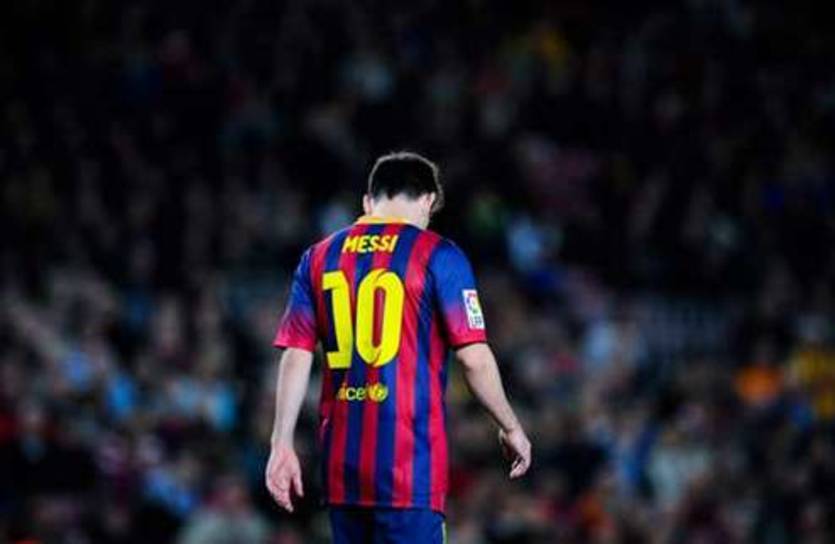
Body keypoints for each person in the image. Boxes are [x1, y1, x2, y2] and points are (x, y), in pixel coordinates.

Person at [265, 151, 532, 543]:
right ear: (428, 200)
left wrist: (281, 442)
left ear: (368, 202)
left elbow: (297, 352)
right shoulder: (439, 254)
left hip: (342, 470)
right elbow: (473, 358)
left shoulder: (318, 257)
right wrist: (510, 426)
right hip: (409, 468)